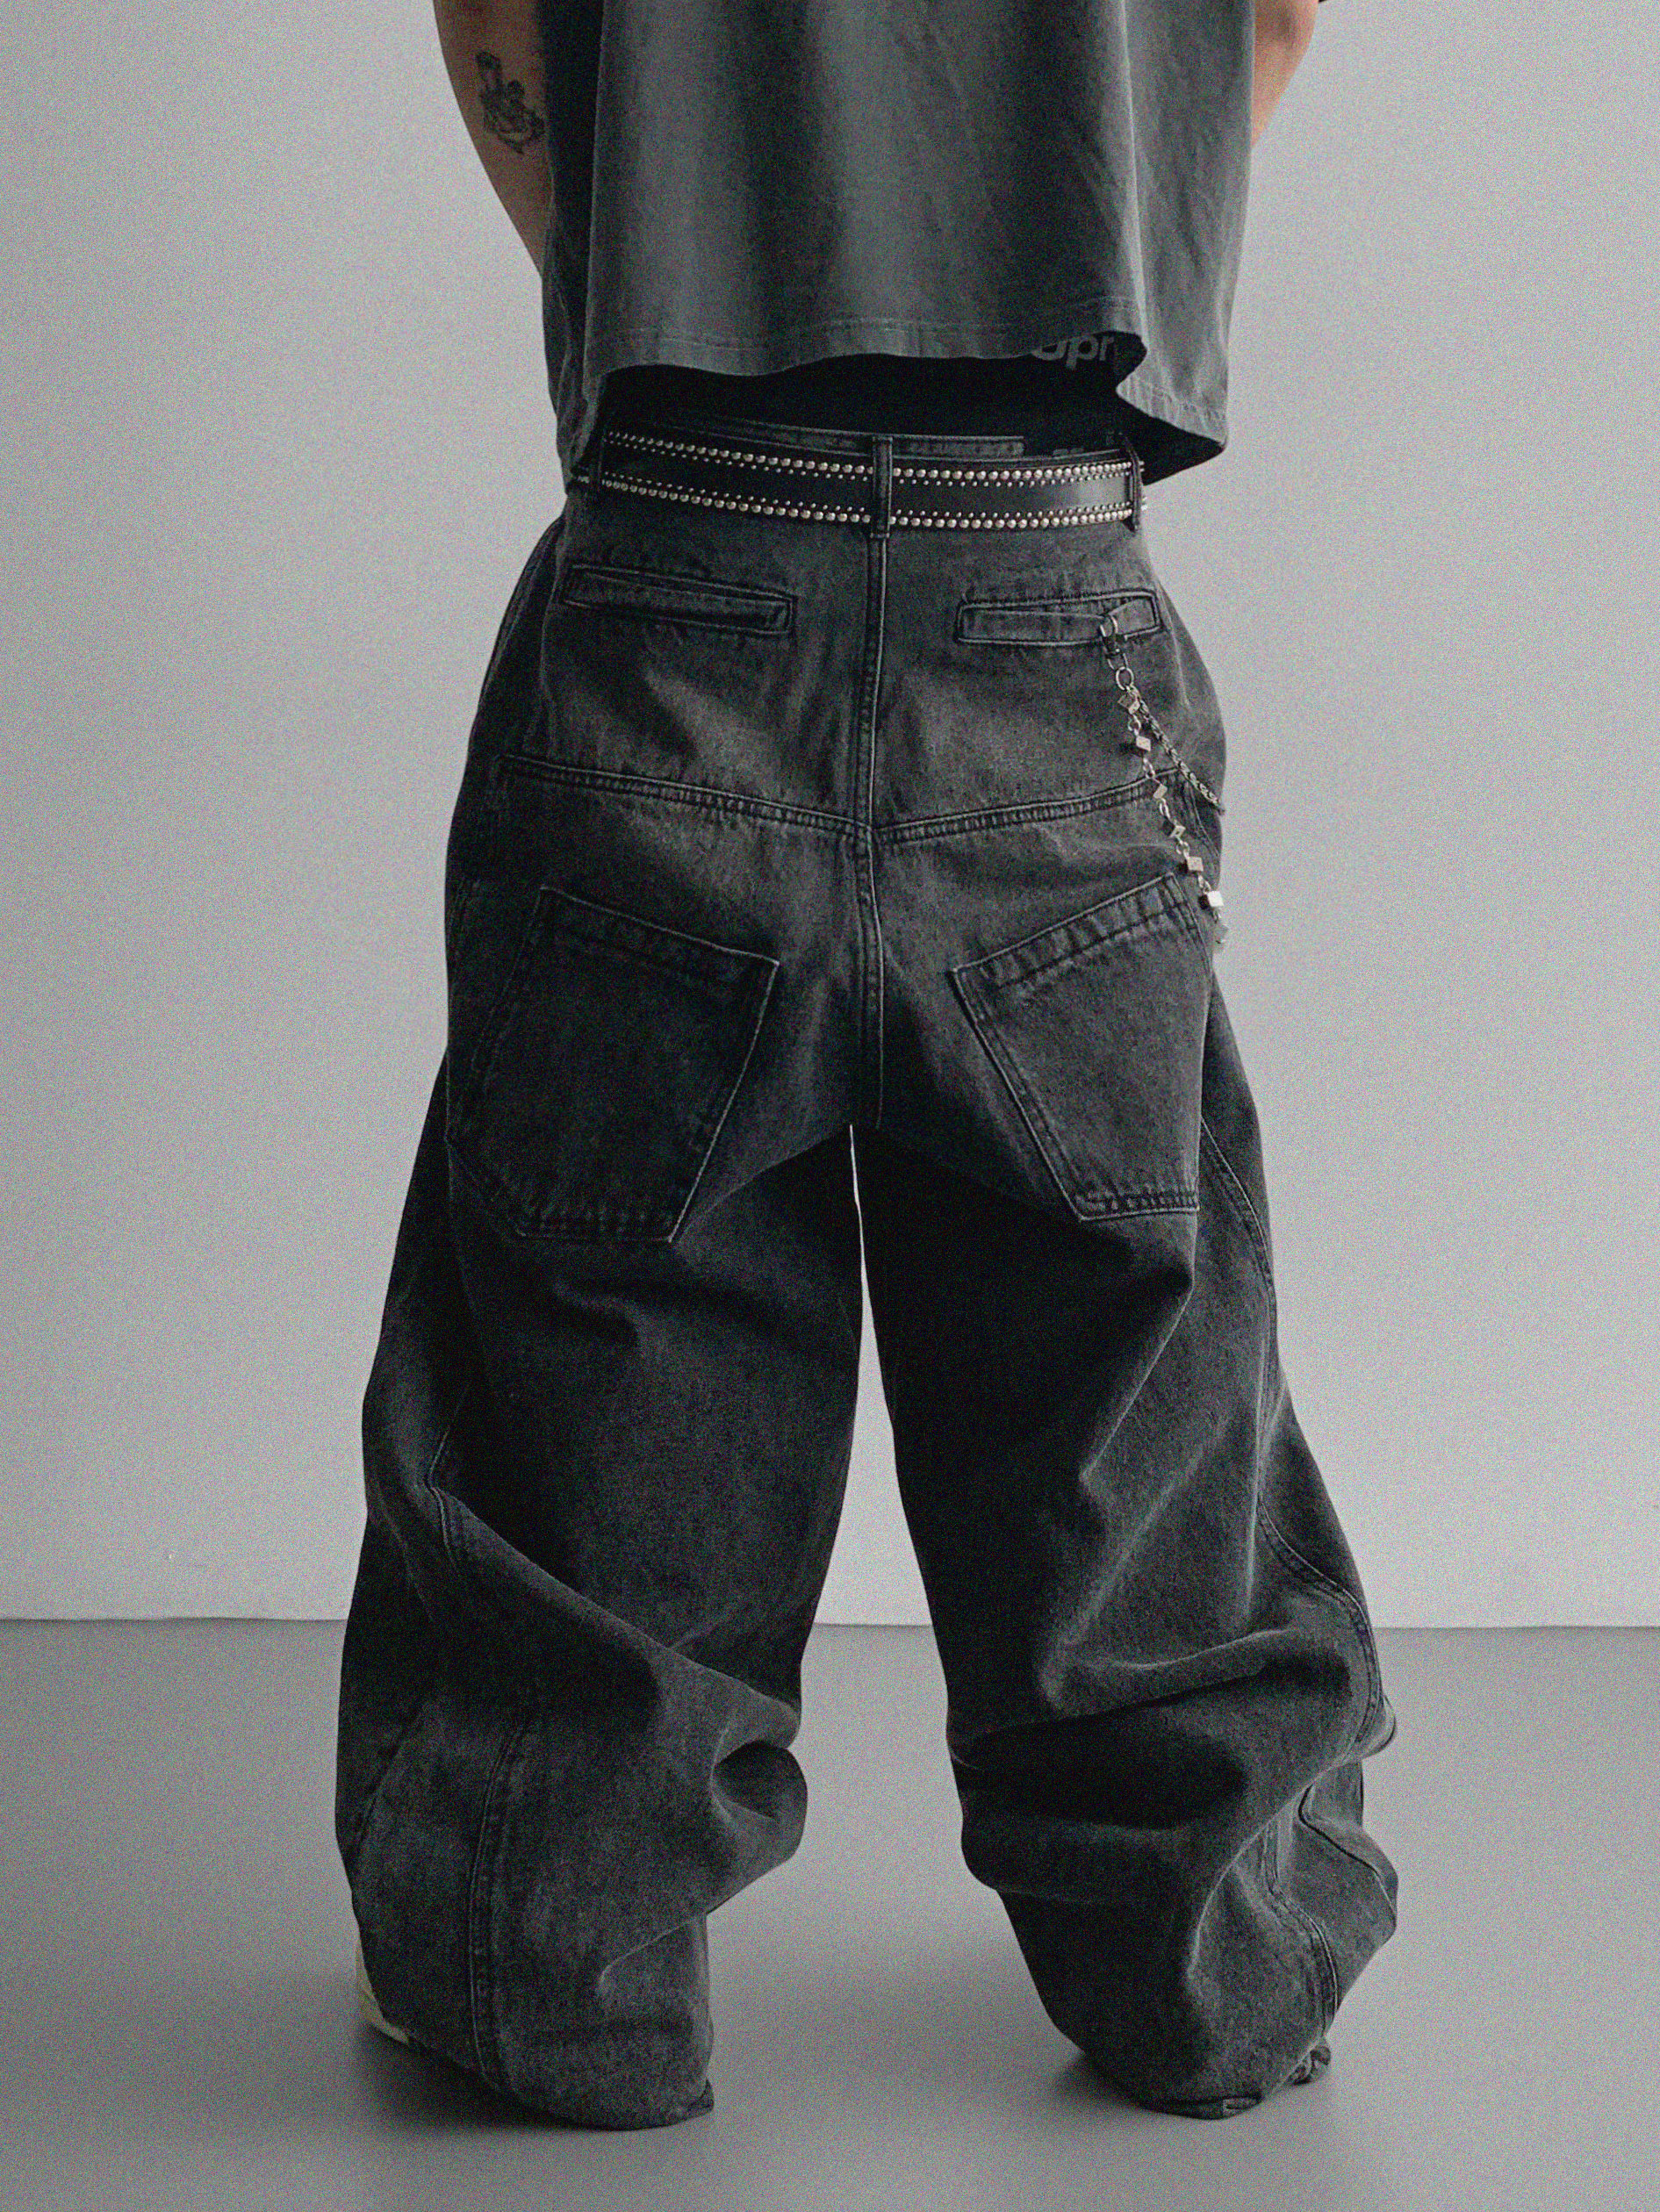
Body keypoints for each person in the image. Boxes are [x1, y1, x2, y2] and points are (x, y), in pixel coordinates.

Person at [337, 0, 1397, 2130]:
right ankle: (1201, 1972)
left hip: (680, 521)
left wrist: (645, 249)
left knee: (609, 1301)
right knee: (1122, 1327)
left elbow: (493, 10)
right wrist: (1106, 203)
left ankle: (553, 1979)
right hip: (1047, 549)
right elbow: (1273, 10)